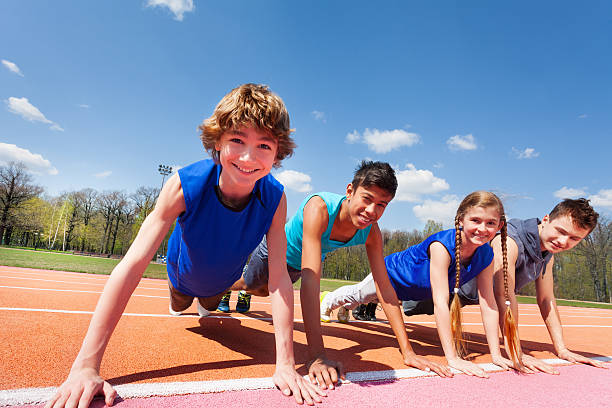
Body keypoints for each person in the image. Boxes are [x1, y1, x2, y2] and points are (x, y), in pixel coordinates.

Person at [45, 84, 325, 408]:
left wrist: (286, 365)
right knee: (181, 307)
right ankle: (178, 295)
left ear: (278, 152)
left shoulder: (275, 198)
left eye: (263, 145)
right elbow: (133, 263)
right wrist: (85, 366)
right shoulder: (184, 183)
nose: (249, 158)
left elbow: (278, 278)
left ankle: (211, 300)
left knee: (209, 308)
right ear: (217, 141)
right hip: (182, 275)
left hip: (221, 281)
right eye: (237, 140)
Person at [231, 161, 450, 386]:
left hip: (296, 266)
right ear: (349, 191)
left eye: (382, 205)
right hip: (275, 254)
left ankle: (243, 287)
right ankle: (228, 283)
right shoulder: (320, 208)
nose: (372, 211)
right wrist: (316, 356)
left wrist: (408, 352)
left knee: (264, 292)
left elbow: (385, 288)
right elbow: (311, 280)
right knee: (249, 285)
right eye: (367, 199)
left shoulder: (371, 233)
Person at [320, 191, 521, 377]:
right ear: (460, 220)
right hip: (391, 275)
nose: (482, 229)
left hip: (413, 292)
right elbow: (441, 303)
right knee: (359, 295)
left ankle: (346, 307)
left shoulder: (486, 256)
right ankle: (329, 299)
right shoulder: (442, 246)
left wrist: (496, 354)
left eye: (490, 223)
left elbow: (489, 304)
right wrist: (452, 358)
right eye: (475, 220)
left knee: (360, 299)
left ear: (500, 226)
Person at [489, 198, 608, 373]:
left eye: (574, 238)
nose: (562, 241)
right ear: (545, 220)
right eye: (560, 231)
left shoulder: (546, 253)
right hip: (438, 290)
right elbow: (504, 295)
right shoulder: (508, 242)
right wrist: (515, 350)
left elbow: (546, 299)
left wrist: (562, 349)